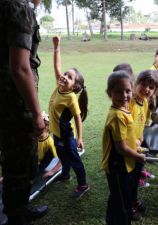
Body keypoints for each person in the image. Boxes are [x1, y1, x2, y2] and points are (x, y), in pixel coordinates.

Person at [0, 0, 48, 224]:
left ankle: (15, 210)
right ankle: (17, 215)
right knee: (21, 161)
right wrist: (37, 114)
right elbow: (20, 67)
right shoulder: (20, 8)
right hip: (14, 104)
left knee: (10, 157)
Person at [102, 71, 146, 225]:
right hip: (118, 166)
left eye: (127, 91)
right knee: (123, 203)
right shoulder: (117, 116)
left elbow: (128, 136)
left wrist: (136, 144)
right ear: (109, 93)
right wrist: (138, 156)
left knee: (118, 196)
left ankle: (111, 220)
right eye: (118, 92)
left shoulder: (124, 110)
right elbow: (120, 148)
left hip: (125, 164)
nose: (124, 95)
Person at [49, 36, 89, 198]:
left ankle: (83, 184)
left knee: (74, 159)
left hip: (66, 134)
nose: (64, 76)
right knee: (61, 155)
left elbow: (78, 119)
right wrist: (57, 47)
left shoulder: (71, 97)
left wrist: (79, 138)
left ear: (75, 86)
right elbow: (57, 66)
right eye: (65, 74)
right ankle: (65, 174)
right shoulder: (60, 85)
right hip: (56, 132)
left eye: (69, 77)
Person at [129, 70, 158, 194]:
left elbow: (141, 123)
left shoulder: (145, 101)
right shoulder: (130, 102)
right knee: (131, 168)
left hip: (137, 141)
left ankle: (139, 174)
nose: (147, 89)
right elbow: (125, 125)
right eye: (144, 85)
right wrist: (133, 139)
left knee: (139, 162)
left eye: (151, 87)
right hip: (128, 143)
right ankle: (135, 180)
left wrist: (140, 136)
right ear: (136, 83)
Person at [37, 113, 61, 179]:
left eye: (40, 131)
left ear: (47, 129)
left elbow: (63, 158)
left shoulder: (50, 143)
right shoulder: (34, 136)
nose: (37, 133)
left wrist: (52, 171)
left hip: (42, 162)